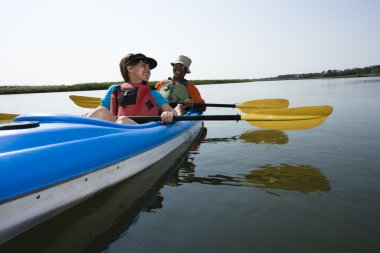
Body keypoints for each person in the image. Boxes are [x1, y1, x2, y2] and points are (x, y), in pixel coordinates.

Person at [87, 53, 179, 124]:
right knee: (100, 112)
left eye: (149, 67)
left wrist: (168, 113)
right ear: (130, 68)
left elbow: (171, 110)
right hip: (117, 129)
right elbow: (100, 111)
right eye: (143, 65)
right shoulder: (114, 90)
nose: (148, 69)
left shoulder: (152, 93)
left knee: (123, 120)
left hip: (142, 131)